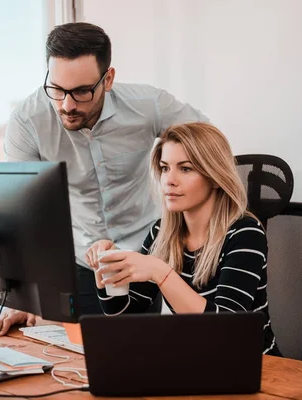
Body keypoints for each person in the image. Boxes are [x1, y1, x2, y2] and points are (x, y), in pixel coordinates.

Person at [0, 22, 207, 336]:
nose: (67, 105)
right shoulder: (28, 120)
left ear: (109, 79)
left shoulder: (147, 105)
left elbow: (209, 144)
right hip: (80, 258)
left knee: (139, 358)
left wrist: (187, 222)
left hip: (143, 254)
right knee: (78, 362)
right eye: (57, 89)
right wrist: (21, 293)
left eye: (81, 92)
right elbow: (21, 212)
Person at [88, 122, 281, 356]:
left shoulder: (245, 234)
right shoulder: (162, 233)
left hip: (255, 366)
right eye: (165, 168)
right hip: (198, 360)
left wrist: (160, 272)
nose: (169, 180)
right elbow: (125, 316)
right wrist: (108, 275)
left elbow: (227, 328)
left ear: (214, 176)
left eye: (185, 169)